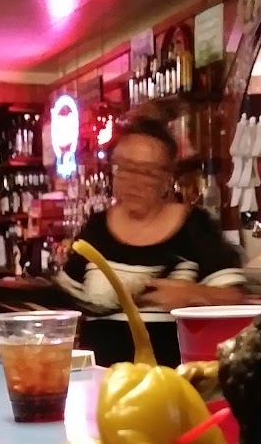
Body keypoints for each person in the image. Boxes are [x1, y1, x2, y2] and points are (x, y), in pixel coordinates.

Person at [57, 115, 247, 368]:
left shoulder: (195, 226)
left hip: (172, 378)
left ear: (167, 179)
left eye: (147, 173)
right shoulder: (96, 229)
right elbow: (65, 303)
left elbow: (236, 299)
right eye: (125, 168)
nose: (134, 182)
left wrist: (194, 295)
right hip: (102, 378)